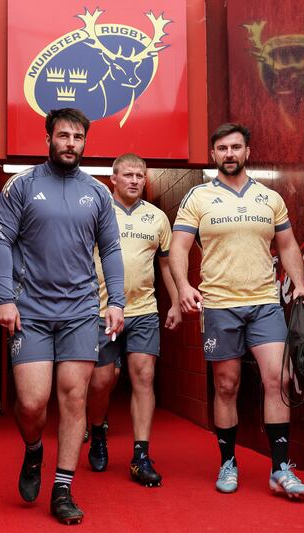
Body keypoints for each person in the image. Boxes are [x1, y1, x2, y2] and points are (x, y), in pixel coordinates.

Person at [0, 108, 125, 525]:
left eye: (78, 137)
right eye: (63, 135)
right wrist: (3, 298)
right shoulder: (21, 187)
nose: (71, 143)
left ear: (85, 142)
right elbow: (0, 240)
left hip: (80, 312)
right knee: (31, 403)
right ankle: (33, 451)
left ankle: (62, 488)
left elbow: (111, 250)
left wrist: (115, 301)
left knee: (73, 398)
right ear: (48, 137)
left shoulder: (98, 194)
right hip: (29, 309)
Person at [169, 123, 304, 498]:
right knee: (226, 385)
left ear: (247, 152)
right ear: (214, 155)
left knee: (277, 381)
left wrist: (298, 282)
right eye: (222, 148)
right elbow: (180, 247)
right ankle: (228, 462)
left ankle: (280, 469)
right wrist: (184, 286)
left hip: (265, 302)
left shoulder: (270, 198)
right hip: (219, 305)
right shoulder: (197, 197)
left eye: (236, 147)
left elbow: (288, 244)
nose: (229, 154)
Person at [86, 153, 181, 487]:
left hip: (144, 310)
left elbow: (166, 264)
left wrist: (175, 301)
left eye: (140, 175)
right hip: (100, 312)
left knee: (144, 376)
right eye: (127, 174)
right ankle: (98, 431)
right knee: (102, 381)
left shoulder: (156, 218)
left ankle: (141, 455)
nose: (134, 180)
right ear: (113, 178)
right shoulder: (98, 211)